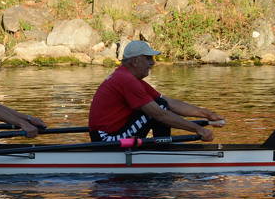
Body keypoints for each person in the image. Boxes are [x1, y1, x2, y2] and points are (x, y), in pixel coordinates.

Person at [88, 40, 224, 143]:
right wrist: (198, 129)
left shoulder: (130, 78)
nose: (153, 63)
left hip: (113, 133)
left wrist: (207, 114)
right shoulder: (126, 80)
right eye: (148, 58)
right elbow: (160, 114)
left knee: (161, 103)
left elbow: (170, 102)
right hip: (107, 139)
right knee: (159, 107)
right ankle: (162, 151)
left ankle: (162, 150)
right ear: (135, 61)